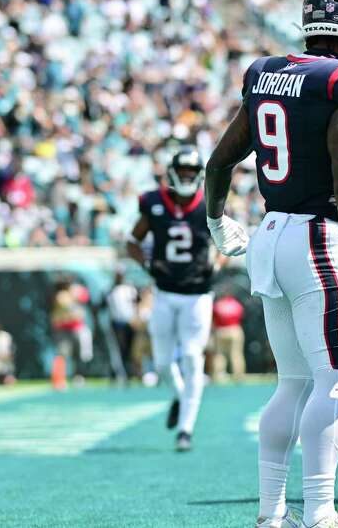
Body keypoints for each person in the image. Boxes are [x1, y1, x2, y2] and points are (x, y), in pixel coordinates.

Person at [203, 0, 338, 526]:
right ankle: (321, 513)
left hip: (271, 233)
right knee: (336, 376)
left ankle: (271, 515)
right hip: (320, 240)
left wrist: (217, 219)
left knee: (293, 382)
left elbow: (219, 162)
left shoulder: (266, 71)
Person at [127, 147, 216, 453]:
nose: (188, 178)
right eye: (184, 173)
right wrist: (148, 264)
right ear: (173, 174)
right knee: (164, 363)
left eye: (193, 173)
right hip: (164, 293)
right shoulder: (153, 203)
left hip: (197, 295)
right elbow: (132, 241)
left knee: (192, 357)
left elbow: (226, 240)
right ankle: (179, 396)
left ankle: (186, 430)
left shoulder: (208, 204)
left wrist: (215, 261)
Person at [107, 271, 138, 381]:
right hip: (117, 324)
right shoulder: (111, 290)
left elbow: (137, 303)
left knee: (131, 349)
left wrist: (136, 318)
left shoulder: (130, 289)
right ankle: (119, 374)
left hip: (131, 323)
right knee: (119, 349)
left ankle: (131, 373)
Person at [211, 293, 246, 382]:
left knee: (220, 355)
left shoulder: (217, 305)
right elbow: (241, 316)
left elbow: (213, 319)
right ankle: (238, 376)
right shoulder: (236, 304)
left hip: (220, 331)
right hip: (234, 329)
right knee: (236, 354)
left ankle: (218, 376)